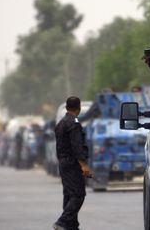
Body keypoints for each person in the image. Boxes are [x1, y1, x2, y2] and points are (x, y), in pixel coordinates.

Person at [53, 96, 92, 230]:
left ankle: (71, 226)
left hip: (63, 162)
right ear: (78, 108)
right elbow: (77, 146)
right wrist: (84, 165)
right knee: (78, 194)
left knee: (69, 194)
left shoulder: (61, 123)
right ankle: (62, 222)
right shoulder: (73, 124)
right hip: (72, 163)